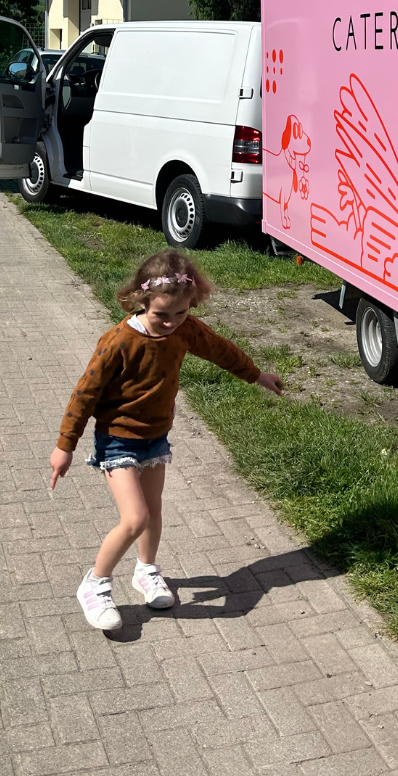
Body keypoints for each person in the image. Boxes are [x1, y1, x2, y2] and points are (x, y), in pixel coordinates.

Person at [49, 248, 283, 630]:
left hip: (156, 438)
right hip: (117, 440)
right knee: (135, 518)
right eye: (161, 315)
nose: (172, 323)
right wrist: (65, 445)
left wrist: (257, 376)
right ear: (142, 301)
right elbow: (85, 394)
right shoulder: (119, 341)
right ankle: (95, 585)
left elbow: (221, 350)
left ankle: (146, 572)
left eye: (181, 314)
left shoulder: (186, 329)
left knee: (153, 512)